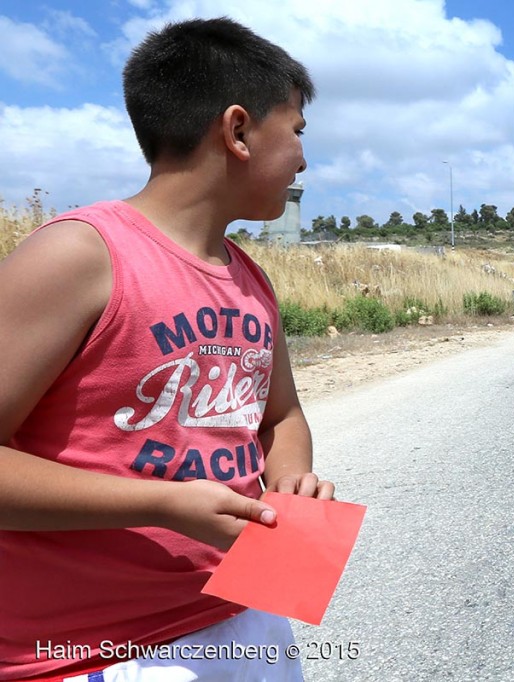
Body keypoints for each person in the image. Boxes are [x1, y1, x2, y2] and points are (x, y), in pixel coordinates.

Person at [0, 18, 336, 681]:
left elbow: (279, 417)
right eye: (297, 131)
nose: (303, 157)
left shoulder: (250, 278)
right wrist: (156, 503)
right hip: (101, 652)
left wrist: (288, 479)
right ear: (238, 130)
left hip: (243, 613)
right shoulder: (80, 255)